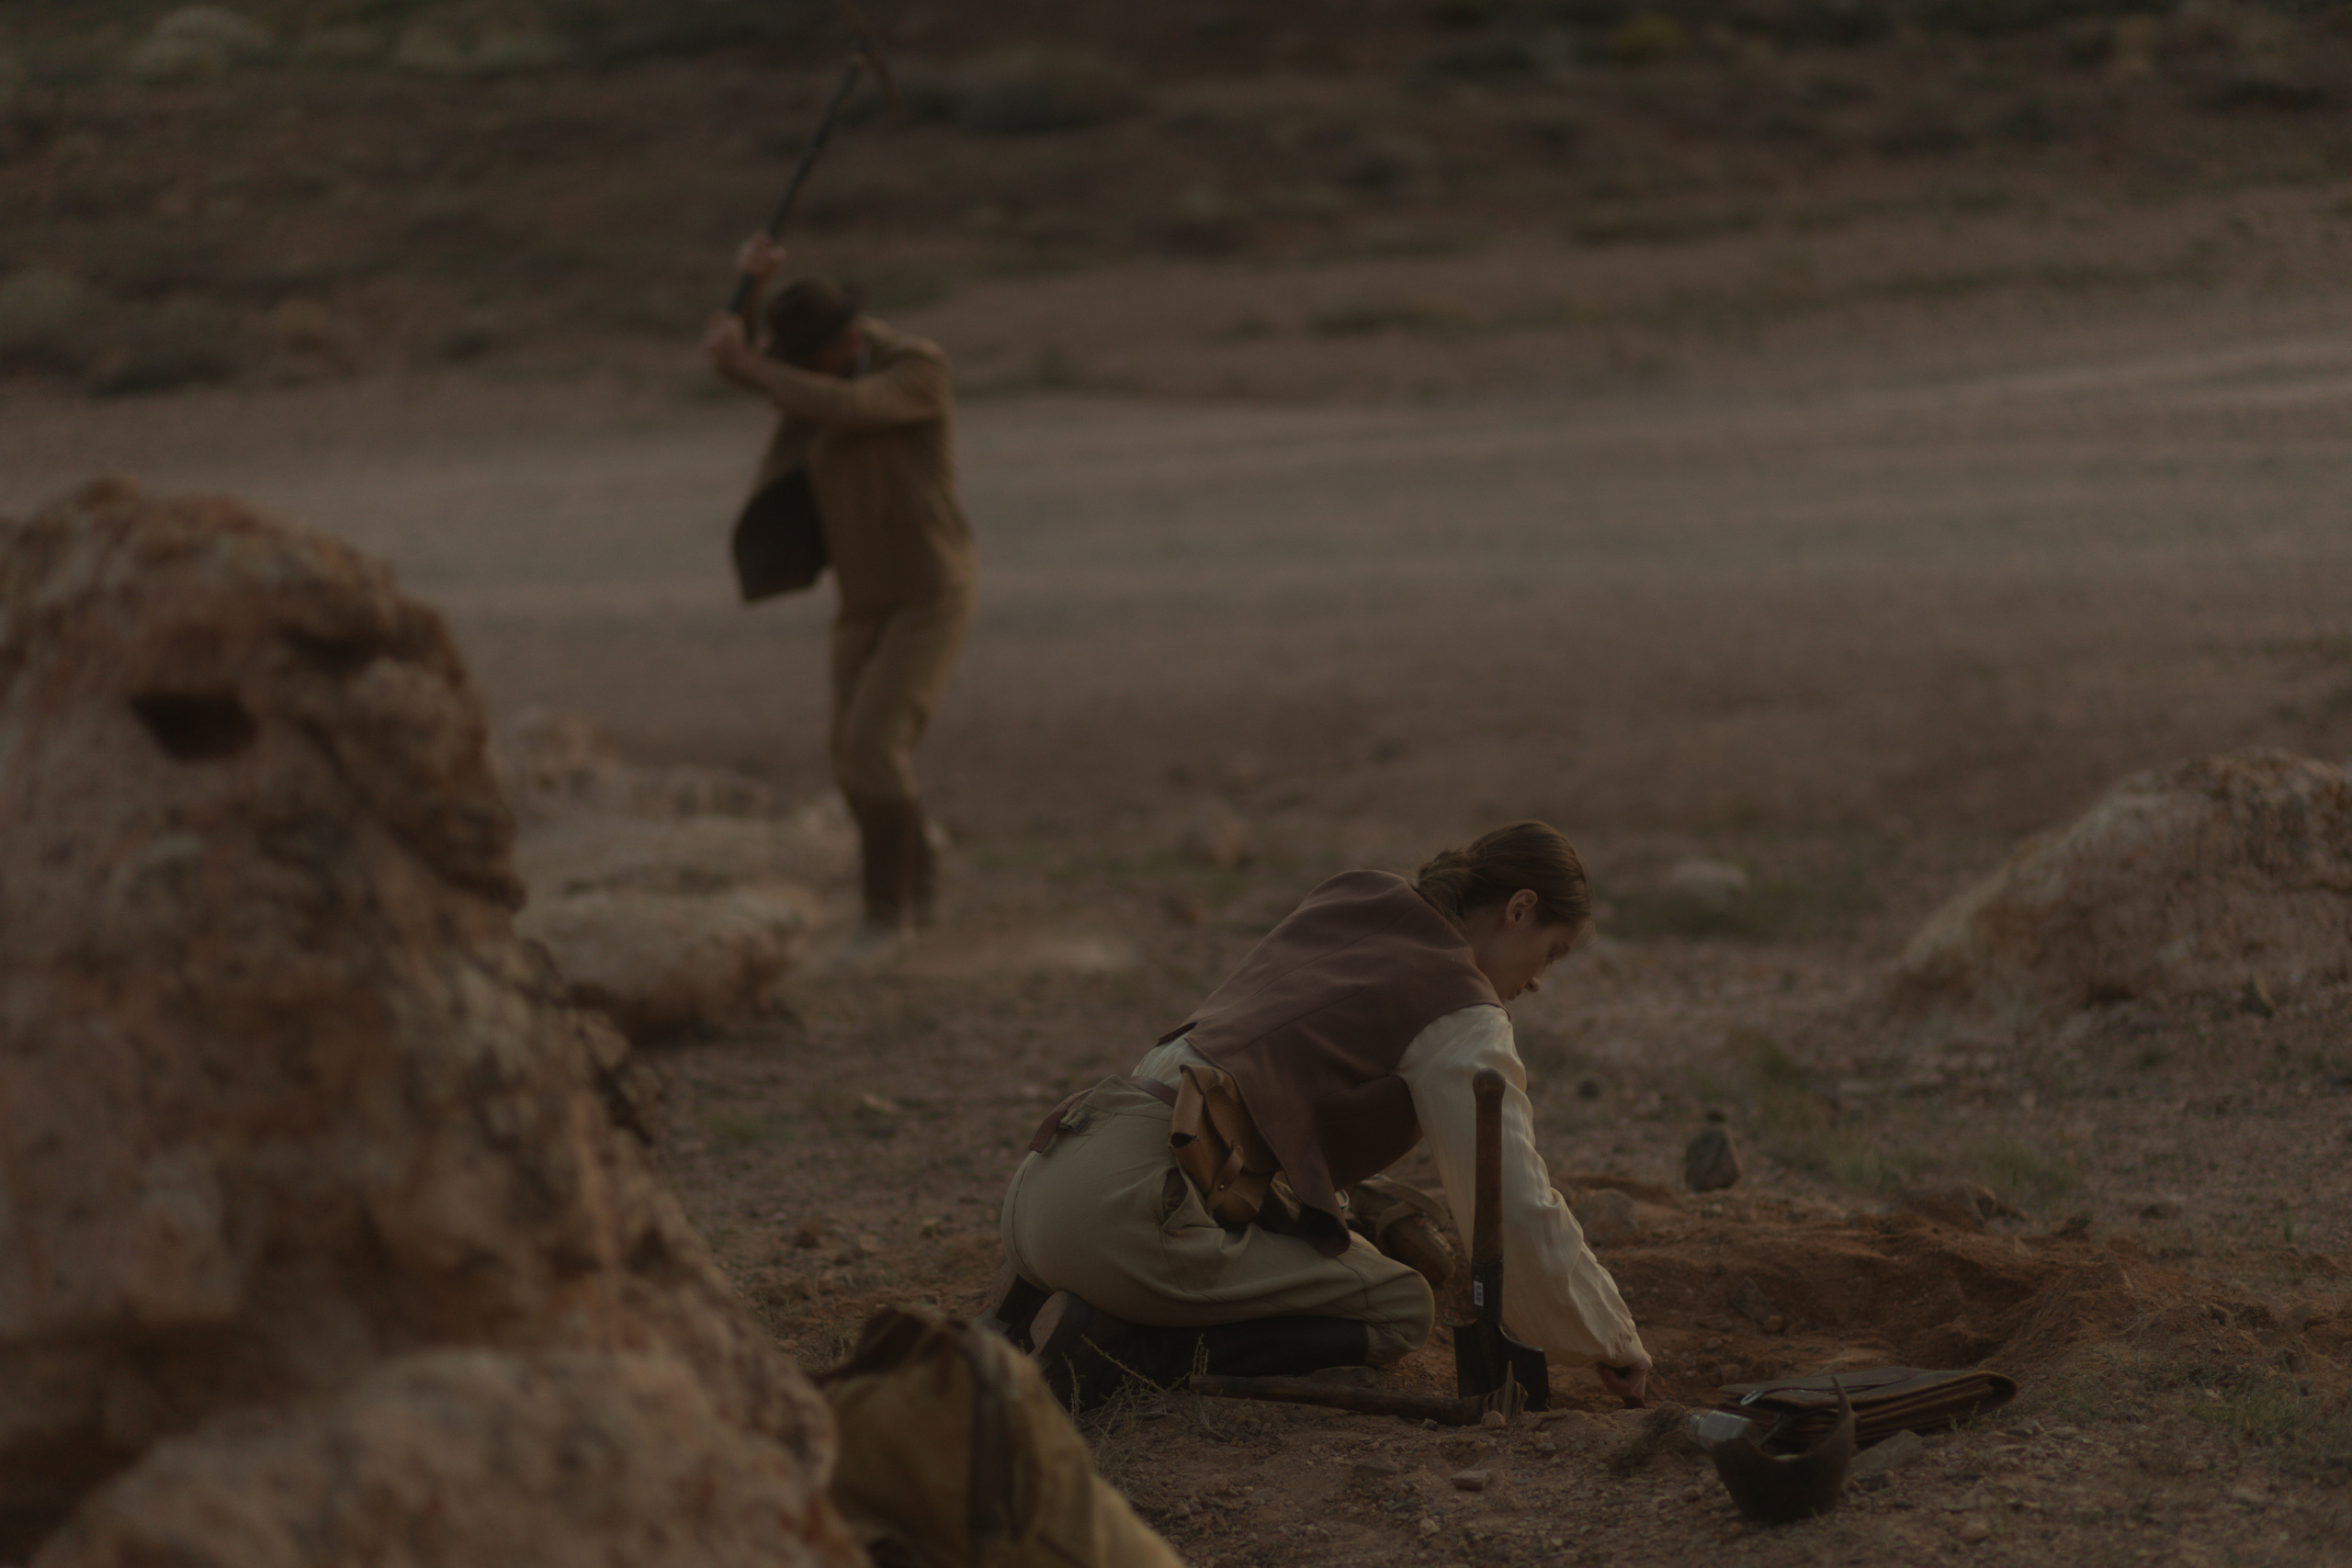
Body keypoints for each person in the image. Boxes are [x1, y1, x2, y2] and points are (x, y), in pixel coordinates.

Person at [987, 821, 1653, 1408]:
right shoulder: (1463, 1008)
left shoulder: (1354, 894)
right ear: (1519, 909)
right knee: (1399, 1305)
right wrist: (1610, 1336)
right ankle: (1120, 1351)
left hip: (1044, 1185)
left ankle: (1053, 1308)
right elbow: (1511, 1200)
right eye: (1551, 952)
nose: (1536, 980)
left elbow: (1251, 1095)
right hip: (1126, 1219)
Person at [703, 238, 977, 963]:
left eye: (809, 362)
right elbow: (748, 370)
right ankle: (919, 888)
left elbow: (852, 405)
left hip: (929, 589)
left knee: (875, 745)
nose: (799, 377)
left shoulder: (915, 367)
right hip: (863, 595)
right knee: (850, 756)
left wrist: (754, 365)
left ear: (848, 341)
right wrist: (748, 288)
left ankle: (887, 916)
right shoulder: (814, 374)